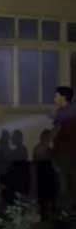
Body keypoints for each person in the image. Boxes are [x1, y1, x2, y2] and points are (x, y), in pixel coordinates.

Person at [51, 86, 76, 215]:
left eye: (56, 96)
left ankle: (65, 212)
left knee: (64, 184)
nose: (54, 98)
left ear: (63, 97)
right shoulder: (67, 112)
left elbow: (56, 133)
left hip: (65, 154)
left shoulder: (64, 113)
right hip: (67, 153)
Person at [33, 129, 58, 221]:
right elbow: (37, 161)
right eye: (47, 137)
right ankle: (45, 216)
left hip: (48, 176)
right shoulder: (39, 148)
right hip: (43, 176)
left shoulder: (48, 149)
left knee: (50, 197)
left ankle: (49, 216)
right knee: (44, 199)